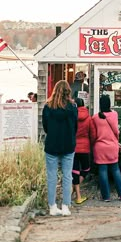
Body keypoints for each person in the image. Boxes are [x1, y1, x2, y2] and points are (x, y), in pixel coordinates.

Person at [42, 80, 78, 216]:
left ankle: (52, 206)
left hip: (52, 144)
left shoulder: (47, 106)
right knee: (67, 175)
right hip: (68, 144)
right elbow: (75, 127)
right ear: (68, 91)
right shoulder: (73, 107)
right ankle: (65, 206)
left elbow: (45, 126)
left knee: (51, 176)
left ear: (55, 90)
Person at [91, 94, 121, 202]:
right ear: (109, 103)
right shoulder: (114, 114)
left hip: (100, 146)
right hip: (112, 146)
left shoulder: (95, 118)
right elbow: (116, 131)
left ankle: (106, 196)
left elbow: (93, 134)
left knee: (102, 171)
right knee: (115, 170)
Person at [72, 97, 96, 204]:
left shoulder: (72, 117)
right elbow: (93, 134)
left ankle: (75, 191)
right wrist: (91, 144)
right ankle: (78, 195)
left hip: (73, 147)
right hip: (85, 147)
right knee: (86, 169)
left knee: (75, 171)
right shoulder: (89, 118)